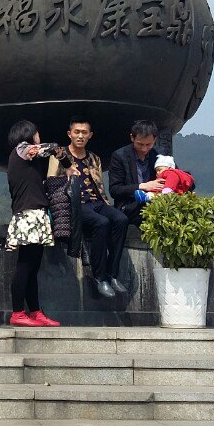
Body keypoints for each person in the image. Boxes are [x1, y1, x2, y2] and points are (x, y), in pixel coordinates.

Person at [49, 120, 128, 298]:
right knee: (101, 223)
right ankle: (99, 277)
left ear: (90, 135)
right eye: (76, 132)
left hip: (97, 202)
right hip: (75, 205)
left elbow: (99, 185)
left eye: (84, 132)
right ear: (69, 134)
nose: (80, 136)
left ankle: (112, 274)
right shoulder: (59, 155)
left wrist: (106, 203)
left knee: (121, 219)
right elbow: (51, 182)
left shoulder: (94, 158)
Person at [6, 120, 72, 327]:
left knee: (33, 267)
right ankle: (18, 312)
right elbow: (51, 148)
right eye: (37, 133)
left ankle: (35, 312)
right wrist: (68, 165)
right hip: (28, 216)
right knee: (25, 266)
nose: (39, 136)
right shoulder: (23, 150)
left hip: (36, 214)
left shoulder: (26, 157)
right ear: (28, 134)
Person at [108, 120, 163, 226]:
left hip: (156, 201)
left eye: (149, 144)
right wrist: (142, 186)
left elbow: (176, 174)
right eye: (140, 144)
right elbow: (115, 190)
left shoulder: (158, 155)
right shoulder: (120, 156)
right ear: (132, 138)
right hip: (129, 205)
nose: (144, 148)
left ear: (155, 140)